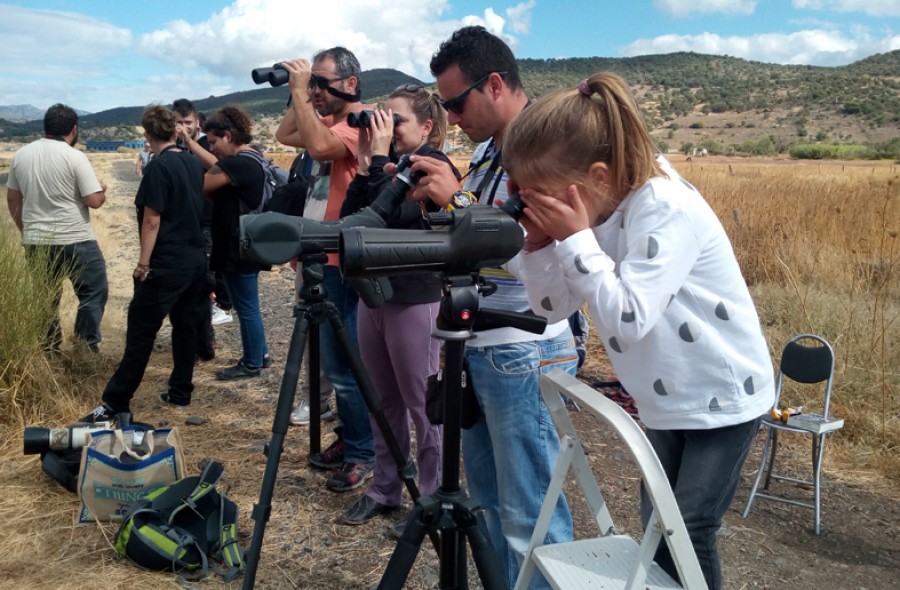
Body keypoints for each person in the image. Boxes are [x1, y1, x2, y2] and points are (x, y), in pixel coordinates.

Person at [503, 71, 776, 590]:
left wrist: (576, 240)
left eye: (546, 196)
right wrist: (539, 245)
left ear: (598, 177)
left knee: (689, 529)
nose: (534, 206)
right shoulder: (599, 214)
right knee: (659, 526)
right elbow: (552, 308)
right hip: (664, 396)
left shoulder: (665, 208)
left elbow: (625, 322)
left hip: (721, 395)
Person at [406, 27, 578, 589]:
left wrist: (456, 199)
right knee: (490, 509)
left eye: (456, 103)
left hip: (525, 347)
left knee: (532, 515)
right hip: (481, 346)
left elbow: (527, 240)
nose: (452, 118)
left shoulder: (548, 146)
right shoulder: (488, 151)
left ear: (496, 84)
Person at [337, 86, 459, 526]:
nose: (385, 126)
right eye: (383, 117)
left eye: (397, 119)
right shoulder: (386, 166)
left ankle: (431, 499)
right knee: (381, 400)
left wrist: (379, 162)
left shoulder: (433, 167)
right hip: (375, 298)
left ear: (427, 127)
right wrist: (372, 160)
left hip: (415, 299)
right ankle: (385, 489)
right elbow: (354, 220)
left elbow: (393, 220)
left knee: (424, 406)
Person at [275, 47, 376, 493]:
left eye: (322, 81)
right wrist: (303, 92)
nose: (315, 89)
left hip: (346, 261)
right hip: (322, 257)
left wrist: (302, 88)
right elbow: (285, 133)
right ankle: (352, 438)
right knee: (334, 364)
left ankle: (363, 454)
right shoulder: (326, 122)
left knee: (348, 368)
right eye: (312, 82)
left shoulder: (363, 123)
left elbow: (316, 145)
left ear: (351, 84)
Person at [79, 105, 208, 422]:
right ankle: (181, 392)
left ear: (148, 135)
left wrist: (143, 263)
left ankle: (116, 402)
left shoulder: (157, 169)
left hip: (166, 261)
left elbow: (152, 220)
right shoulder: (192, 163)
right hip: (195, 259)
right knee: (186, 327)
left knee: (140, 332)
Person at [5, 103, 109, 353]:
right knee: (94, 291)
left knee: (46, 297)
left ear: (46, 127)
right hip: (75, 239)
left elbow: (12, 199)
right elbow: (93, 201)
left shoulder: (21, 155)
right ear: (74, 129)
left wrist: (25, 229)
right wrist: (102, 189)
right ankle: (85, 348)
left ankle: (49, 349)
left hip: (36, 240)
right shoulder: (75, 156)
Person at [187, 104, 272, 380]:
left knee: (246, 307)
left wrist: (188, 143)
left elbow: (204, 187)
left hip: (238, 248)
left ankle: (251, 363)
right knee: (248, 305)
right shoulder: (253, 159)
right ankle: (260, 354)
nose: (212, 149)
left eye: (213, 142)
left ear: (228, 135)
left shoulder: (238, 163)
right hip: (247, 244)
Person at [172, 98, 231, 370]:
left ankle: (205, 342)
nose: (183, 128)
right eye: (178, 123)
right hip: (182, 223)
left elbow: (219, 166)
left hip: (207, 223)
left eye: (188, 122)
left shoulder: (209, 145)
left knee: (205, 284)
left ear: (198, 123)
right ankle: (194, 341)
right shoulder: (170, 150)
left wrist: (191, 144)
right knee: (187, 285)